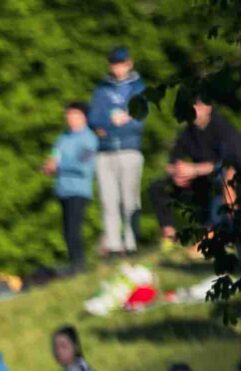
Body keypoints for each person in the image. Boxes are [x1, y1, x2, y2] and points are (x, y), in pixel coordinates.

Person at [162, 95, 241, 245]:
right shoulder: (188, 132)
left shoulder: (222, 127)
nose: (194, 110)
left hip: (221, 178)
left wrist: (195, 170)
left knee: (221, 184)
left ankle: (214, 234)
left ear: (208, 108)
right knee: (158, 187)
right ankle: (168, 236)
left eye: (198, 106)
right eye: (192, 106)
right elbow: (171, 162)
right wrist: (177, 173)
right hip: (196, 179)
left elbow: (228, 163)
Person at [91, 47, 147, 257]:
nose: (118, 68)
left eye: (121, 63)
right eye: (114, 63)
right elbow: (94, 120)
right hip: (105, 151)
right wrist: (116, 121)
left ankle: (131, 243)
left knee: (129, 200)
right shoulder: (101, 89)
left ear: (129, 63)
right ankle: (114, 245)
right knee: (108, 200)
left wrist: (113, 124)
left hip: (129, 149)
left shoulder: (138, 88)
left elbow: (138, 121)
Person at [43, 103, 100, 274]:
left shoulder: (89, 139)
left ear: (83, 117)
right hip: (63, 189)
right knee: (67, 230)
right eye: (68, 115)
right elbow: (54, 156)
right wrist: (49, 165)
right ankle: (73, 263)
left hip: (79, 190)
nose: (70, 118)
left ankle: (79, 265)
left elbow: (83, 165)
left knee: (75, 229)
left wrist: (59, 166)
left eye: (74, 114)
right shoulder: (62, 138)